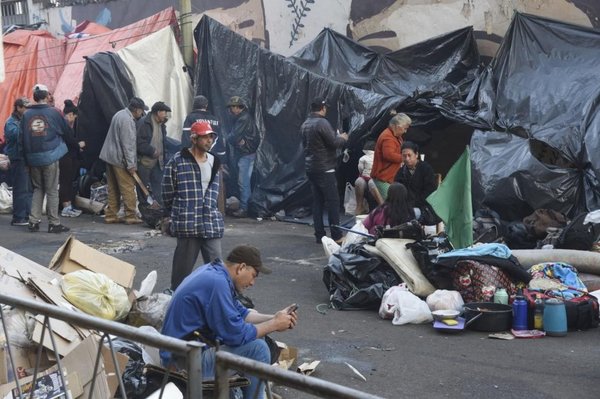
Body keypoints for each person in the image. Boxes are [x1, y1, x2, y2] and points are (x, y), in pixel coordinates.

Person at [161, 244, 298, 399]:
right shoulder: (216, 282)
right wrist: (273, 325)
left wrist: (275, 318)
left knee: (259, 336)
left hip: (187, 353)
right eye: (254, 275)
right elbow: (236, 335)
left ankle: (254, 392)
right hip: (183, 364)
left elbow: (243, 313)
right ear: (241, 267)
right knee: (258, 349)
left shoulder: (217, 273)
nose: (253, 283)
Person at [162, 121, 224, 291]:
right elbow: (167, 191)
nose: (209, 140)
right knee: (182, 272)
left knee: (218, 269)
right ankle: (176, 299)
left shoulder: (214, 162)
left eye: (211, 137)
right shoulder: (178, 162)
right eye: (205, 137)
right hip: (187, 222)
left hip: (210, 222)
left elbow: (216, 193)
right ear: (194, 138)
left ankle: (221, 300)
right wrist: (174, 213)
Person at [20, 84, 70, 233]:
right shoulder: (54, 112)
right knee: (52, 190)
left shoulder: (26, 115)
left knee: (37, 189)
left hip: (32, 158)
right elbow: (65, 130)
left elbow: (20, 139)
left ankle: (33, 221)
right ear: (46, 96)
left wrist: (25, 160)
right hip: (50, 156)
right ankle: (54, 223)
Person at [301, 97, 348, 244]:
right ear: (322, 108)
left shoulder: (305, 124)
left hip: (311, 167)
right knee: (333, 202)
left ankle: (319, 235)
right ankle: (337, 235)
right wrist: (343, 138)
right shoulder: (322, 123)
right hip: (325, 168)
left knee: (318, 202)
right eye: (325, 107)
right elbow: (334, 143)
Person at [99, 97, 148, 224]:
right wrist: (131, 164)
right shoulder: (128, 121)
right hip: (119, 159)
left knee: (113, 187)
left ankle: (110, 215)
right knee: (128, 187)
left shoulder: (119, 114)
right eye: (141, 111)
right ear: (136, 110)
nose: (141, 114)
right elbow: (128, 145)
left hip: (109, 156)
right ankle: (131, 215)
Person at [227, 96, 260, 218]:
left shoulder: (243, 119)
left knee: (243, 182)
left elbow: (233, 136)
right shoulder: (246, 117)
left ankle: (244, 208)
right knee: (245, 181)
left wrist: (236, 141)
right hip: (248, 154)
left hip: (245, 155)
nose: (231, 110)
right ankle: (247, 207)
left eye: (232, 107)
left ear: (237, 107)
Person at [4, 97, 32, 226]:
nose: (27, 110)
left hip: (26, 158)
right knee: (20, 188)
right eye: (25, 107)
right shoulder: (11, 122)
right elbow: (16, 136)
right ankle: (19, 217)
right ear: (19, 108)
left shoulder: (24, 120)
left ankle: (27, 214)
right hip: (17, 158)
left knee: (28, 188)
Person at [136, 101, 171, 204]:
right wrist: (151, 151)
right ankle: (144, 210)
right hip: (145, 163)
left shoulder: (162, 125)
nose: (165, 115)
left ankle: (160, 209)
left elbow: (163, 142)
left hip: (158, 162)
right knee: (142, 189)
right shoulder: (144, 123)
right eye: (164, 112)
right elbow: (138, 142)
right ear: (158, 112)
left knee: (159, 187)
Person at [370, 113, 411, 202]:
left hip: (388, 177)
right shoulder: (388, 137)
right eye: (405, 128)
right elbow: (389, 155)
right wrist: (406, 158)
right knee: (390, 205)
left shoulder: (396, 136)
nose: (405, 131)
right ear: (397, 126)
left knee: (390, 205)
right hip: (383, 178)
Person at [394, 141, 437, 221]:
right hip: (407, 207)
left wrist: (413, 204)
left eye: (409, 155)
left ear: (416, 154)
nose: (407, 159)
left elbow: (430, 192)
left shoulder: (426, 169)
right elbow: (397, 191)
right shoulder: (401, 172)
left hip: (425, 208)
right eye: (404, 156)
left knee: (407, 215)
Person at [59, 99, 85, 217]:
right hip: (65, 157)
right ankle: (66, 207)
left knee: (68, 182)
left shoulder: (66, 125)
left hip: (69, 157)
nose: (74, 119)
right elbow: (69, 140)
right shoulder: (64, 126)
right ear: (70, 115)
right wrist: (78, 145)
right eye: (73, 116)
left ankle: (68, 205)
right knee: (65, 182)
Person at [354, 140, 383, 215]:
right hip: (376, 178)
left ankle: (359, 206)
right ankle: (382, 206)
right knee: (370, 182)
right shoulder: (380, 156)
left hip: (365, 177)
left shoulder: (363, 158)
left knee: (358, 181)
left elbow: (360, 169)